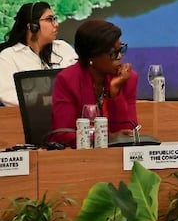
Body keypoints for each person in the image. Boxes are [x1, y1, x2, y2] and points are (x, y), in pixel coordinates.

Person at [50, 19, 137, 147]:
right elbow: (63, 134)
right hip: (74, 156)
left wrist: (114, 92)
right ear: (91, 56)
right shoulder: (68, 80)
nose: (120, 57)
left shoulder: (127, 79)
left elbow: (127, 133)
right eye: (113, 53)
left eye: (121, 49)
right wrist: (107, 138)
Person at [0, 1, 79, 106]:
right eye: (49, 19)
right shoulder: (9, 56)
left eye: (54, 19)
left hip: (68, 112)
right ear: (32, 26)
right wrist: (46, 101)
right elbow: (8, 96)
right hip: (30, 117)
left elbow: (79, 81)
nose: (56, 24)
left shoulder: (62, 47)